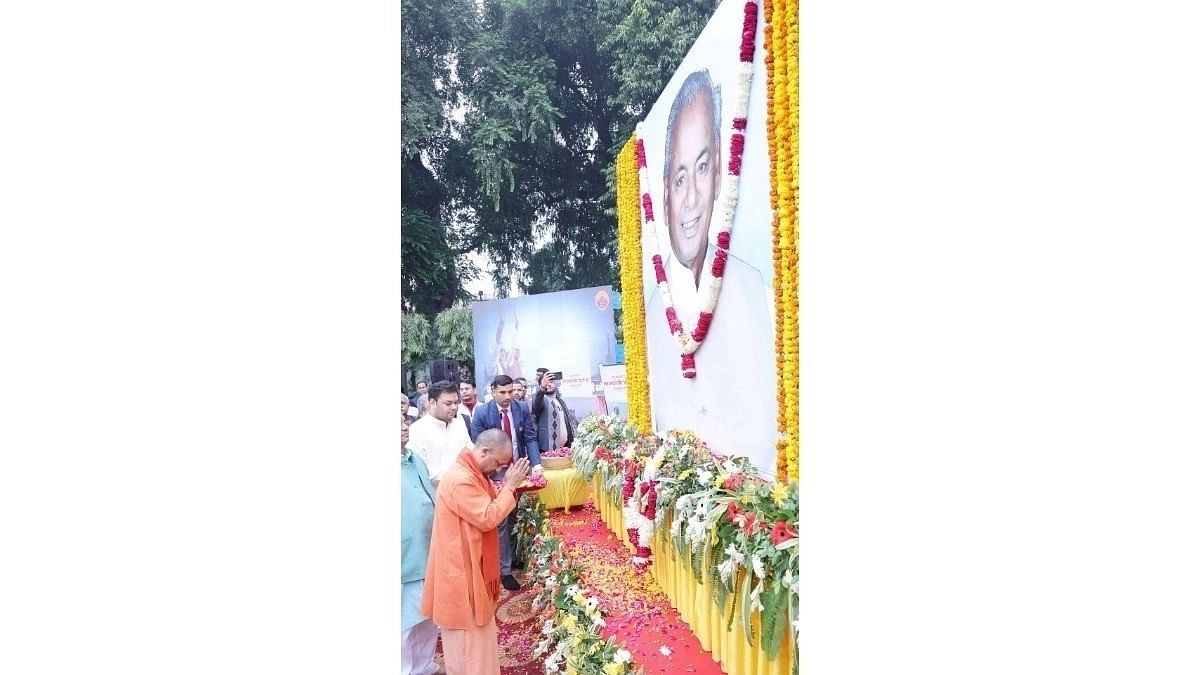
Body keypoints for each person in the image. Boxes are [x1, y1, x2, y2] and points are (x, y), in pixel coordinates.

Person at [645, 68, 778, 468]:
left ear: (720, 173)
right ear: (665, 190)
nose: (690, 200)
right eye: (679, 177)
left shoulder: (754, 291)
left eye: (702, 168)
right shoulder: (653, 311)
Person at [421, 429, 530, 675]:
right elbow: (488, 516)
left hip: (472, 568)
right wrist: (510, 487)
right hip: (461, 574)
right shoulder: (461, 479)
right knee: (467, 651)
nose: (498, 470)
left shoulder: (472, 472)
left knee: (479, 647)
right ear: (484, 452)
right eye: (498, 463)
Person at [469, 375, 542, 591]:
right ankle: (504, 571)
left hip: (519, 470)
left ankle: (513, 556)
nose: (508, 396)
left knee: (516, 516)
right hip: (495, 473)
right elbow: (479, 445)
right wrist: (492, 472)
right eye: (503, 392)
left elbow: (529, 438)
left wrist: (536, 466)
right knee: (500, 520)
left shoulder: (522, 408)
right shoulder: (482, 413)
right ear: (493, 391)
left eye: (511, 391)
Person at [401, 417, 439, 675]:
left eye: (404, 421)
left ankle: (425, 667)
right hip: (403, 558)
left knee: (427, 618)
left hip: (427, 551)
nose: (404, 427)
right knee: (402, 624)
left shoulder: (413, 457)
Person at [408, 380, 473, 489]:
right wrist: (462, 475)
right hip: (437, 498)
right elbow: (424, 473)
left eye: (456, 403)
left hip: (465, 493)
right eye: (448, 403)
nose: (454, 407)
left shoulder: (459, 424)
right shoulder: (417, 431)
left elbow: (470, 451)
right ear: (432, 403)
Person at [531, 370, 576, 454]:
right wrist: (542, 388)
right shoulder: (541, 399)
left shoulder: (559, 399)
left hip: (564, 447)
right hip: (547, 450)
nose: (549, 384)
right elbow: (536, 404)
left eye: (551, 382)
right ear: (541, 384)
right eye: (546, 382)